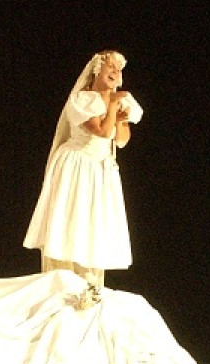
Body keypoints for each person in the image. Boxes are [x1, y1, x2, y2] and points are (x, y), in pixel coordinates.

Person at [23, 50, 144, 292]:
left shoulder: (120, 98)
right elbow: (99, 130)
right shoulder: (82, 99)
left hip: (100, 169)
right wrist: (111, 107)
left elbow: (120, 139)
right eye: (110, 67)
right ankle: (61, 284)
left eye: (118, 70)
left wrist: (119, 116)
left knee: (94, 224)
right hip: (77, 165)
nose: (115, 73)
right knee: (71, 220)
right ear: (97, 70)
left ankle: (89, 286)